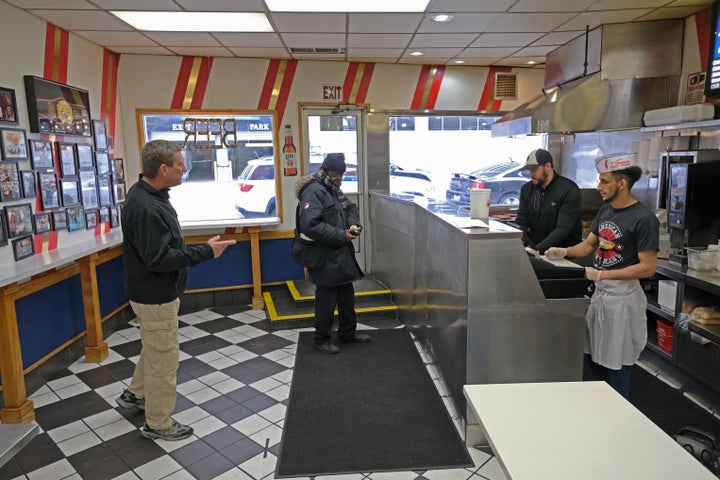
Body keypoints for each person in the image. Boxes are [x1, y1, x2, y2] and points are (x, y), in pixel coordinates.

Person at [116, 140, 236, 440]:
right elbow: (159, 259)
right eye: (180, 164)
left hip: (149, 293)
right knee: (164, 359)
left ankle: (135, 394)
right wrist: (207, 252)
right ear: (163, 168)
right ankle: (158, 423)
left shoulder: (149, 194)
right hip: (155, 294)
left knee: (154, 347)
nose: (185, 168)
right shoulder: (146, 207)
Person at [545, 152, 659, 398]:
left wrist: (602, 275)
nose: (599, 187)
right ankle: (597, 412)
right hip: (601, 297)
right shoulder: (606, 211)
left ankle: (619, 421)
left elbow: (648, 267)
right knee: (594, 359)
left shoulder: (643, 219)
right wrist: (563, 251)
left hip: (623, 301)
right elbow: (588, 246)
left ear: (622, 183)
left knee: (616, 365)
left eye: (604, 181)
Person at [295, 152, 369, 354]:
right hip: (324, 256)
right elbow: (310, 225)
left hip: (340, 255)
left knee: (347, 298)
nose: (339, 178)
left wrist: (354, 224)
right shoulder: (314, 191)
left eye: (342, 174)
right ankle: (321, 339)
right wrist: (341, 235)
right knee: (326, 302)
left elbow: (350, 208)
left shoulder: (333, 190)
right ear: (325, 171)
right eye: (336, 174)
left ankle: (347, 333)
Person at [515, 148, 582, 255]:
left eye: (535, 169)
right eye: (529, 170)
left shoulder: (569, 189)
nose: (531, 174)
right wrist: (521, 245)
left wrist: (536, 250)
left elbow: (563, 229)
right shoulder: (526, 189)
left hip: (564, 254)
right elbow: (521, 222)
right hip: (536, 251)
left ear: (548, 166)